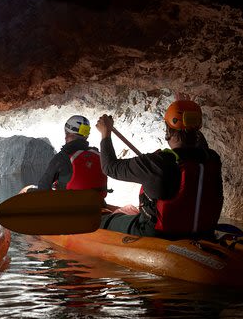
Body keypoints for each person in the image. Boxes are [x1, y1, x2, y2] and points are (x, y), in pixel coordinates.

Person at [94, 99, 224, 238]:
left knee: (103, 220)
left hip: (157, 233)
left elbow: (110, 167)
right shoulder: (212, 158)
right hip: (204, 232)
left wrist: (105, 133)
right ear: (198, 128)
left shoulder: (157, 163)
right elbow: (199, 146)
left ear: (168, 129)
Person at [21, 115, 108, 203]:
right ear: (86, 136)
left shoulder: (62, 157)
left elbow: (43, 189)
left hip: (70, 206)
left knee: (26, 190)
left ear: (67, 134)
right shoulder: (98, 154)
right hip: (97, 204)